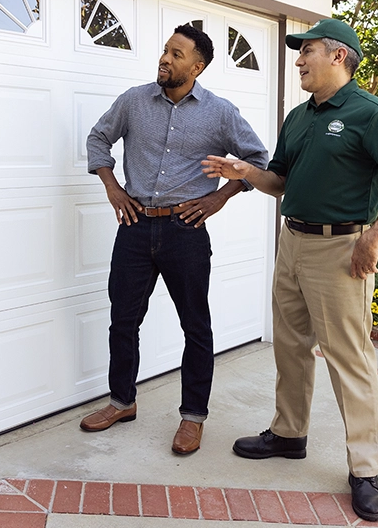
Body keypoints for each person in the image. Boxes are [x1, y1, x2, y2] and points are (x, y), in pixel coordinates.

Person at [202, 18, 378, 522]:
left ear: (338, 56)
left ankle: (365, 469)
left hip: (341, 251)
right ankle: (289, 434)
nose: (297, 60)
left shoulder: (371, 114)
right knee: (289, 346)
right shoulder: (299, 116)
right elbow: (279, 182)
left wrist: (374, 238)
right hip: (293, 242)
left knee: (349, 359)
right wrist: (246, 172)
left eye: (306, 51)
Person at [80, 24, 268, 454]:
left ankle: (193, 417)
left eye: (177, 54)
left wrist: (220, 197)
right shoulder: (133, 101)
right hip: (134, 225)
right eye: (165, 50)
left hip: (186, 231)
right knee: (123, 321)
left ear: (197, 66)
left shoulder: (220, 113)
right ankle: (121, 402)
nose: (165, 59)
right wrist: (112, 188)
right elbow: (98, 138)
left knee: (195, 326)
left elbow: (257, 160)